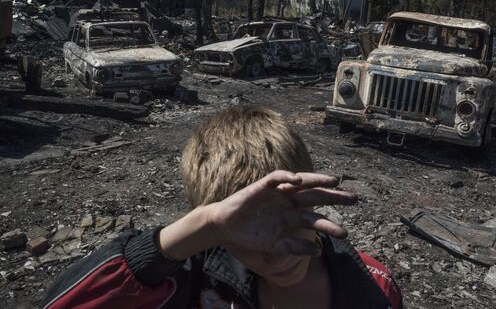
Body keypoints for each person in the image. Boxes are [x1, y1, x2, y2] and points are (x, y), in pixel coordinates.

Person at [41, 106, 402, 309]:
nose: (276, 254)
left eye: (285, 218)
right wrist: (202, 228)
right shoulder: (189, 278)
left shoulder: (373, 286)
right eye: (248, 232)